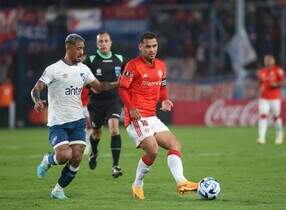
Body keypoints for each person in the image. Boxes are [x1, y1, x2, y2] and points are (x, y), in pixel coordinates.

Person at [31, 33, 118, 200]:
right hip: (58, 123)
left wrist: (118, 83)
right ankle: (48, 160)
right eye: (78, 48)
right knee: (64, 156)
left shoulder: (83, 70)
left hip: (77, 121)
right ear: (68, 48)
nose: (81, 52)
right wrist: (37, 101)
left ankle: (58, 190)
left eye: (83, 49)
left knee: (77, 157)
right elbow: (36, 89)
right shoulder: (53, 69)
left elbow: (99, 86)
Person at [118, 32, 198, 200]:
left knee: (175, 144)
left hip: (152, 116)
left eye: (154, 46)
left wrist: (165, 99)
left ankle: (181, 182)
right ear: (140, 47)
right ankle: (137, 184)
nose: (152, 49)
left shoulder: (161, 65)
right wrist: (131, 108)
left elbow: (162, 86)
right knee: (153, 150)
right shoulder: (133, 66)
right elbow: (122, 89)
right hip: (137, 117)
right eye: (148, 46)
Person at [83, 32, 125, 178]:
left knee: (114, 129)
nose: (103, 44)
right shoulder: (91, 59)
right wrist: (90, 87)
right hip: (96, 102)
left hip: (113, 100)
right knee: (96, 133)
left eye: (106, 41)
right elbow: (81, 76)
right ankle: (94, 152)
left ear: (111, 43)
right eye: (100, 42)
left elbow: (127, 77)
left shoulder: (119, 59)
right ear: (97, 44)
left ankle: (115, 166)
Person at [257, 54, 286, 144]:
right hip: (264, 98)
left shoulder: (278, 70)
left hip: (275, 98)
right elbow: (260, 83)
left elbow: (284, 82)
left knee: (276, 116)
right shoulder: (261, 71)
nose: (268, 62)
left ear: (273, 61)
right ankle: (261, 138)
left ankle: (279, 134)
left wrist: (276, 84)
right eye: (266, 60)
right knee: (263, 116)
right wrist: (260, 88)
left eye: (270, 60)